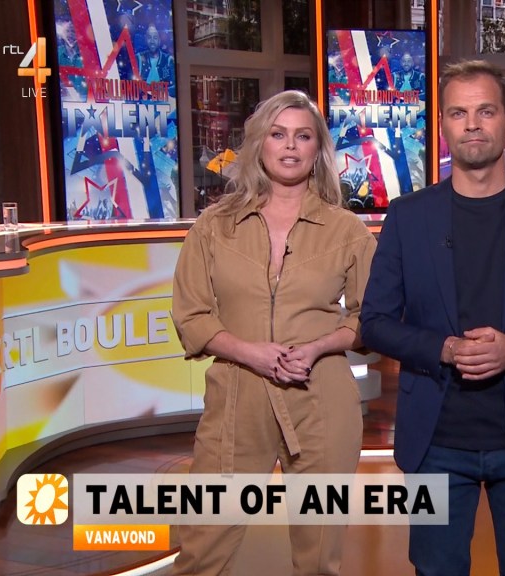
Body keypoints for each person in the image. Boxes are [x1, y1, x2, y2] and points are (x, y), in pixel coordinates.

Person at [360, 60, 505, 575]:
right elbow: (375, 321)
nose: (472, 124)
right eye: (458, 113)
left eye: (485, 111)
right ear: (443, 125)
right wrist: (444, 349)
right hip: (436, 442)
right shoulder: (408, 216)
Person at [171, 90, 376, 574]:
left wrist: (320, 346)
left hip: (321, 397)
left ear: (317, 148)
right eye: (278, 134)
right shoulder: (214, 227)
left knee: (319, 558)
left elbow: (371, 319)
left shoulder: (347, 231)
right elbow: (191, 315)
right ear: (259, 143)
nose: (290, 146)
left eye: (303, 136)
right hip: (236, 397)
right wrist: (250, 353)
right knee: (203, 549)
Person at [137, 24, 175, 90]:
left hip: (163, 97)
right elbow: (132, 85)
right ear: (146, 40)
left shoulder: (168, 60)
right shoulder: (139, 58)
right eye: (149, 37)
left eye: (155, 38)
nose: (152, 41)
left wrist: (157, 91)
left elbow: (174, 87)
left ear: (159, 40)